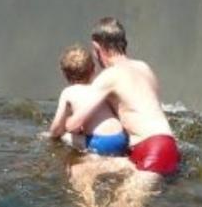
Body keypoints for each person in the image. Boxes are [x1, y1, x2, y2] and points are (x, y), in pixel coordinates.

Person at [66, 17, 181, 177]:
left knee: (124, 202)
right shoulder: (144, 67)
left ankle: (87, 203)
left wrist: (65, 125)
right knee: (82, 170)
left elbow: (76, 124)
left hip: (150, 150)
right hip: (170, 147)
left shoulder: (109, 76)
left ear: (96, 47)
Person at [47, 44, 130, 156]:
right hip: (121, 138)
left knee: (63, 137)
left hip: (101, 142)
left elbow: (56, 128)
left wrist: (52, 135)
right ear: (93, 69)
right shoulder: (102, 88)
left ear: (65, 74)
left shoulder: (68, 92)